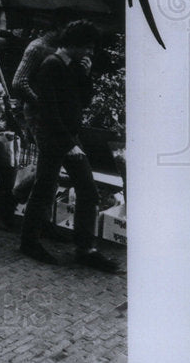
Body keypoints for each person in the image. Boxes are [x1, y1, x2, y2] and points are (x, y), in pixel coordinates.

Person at [19, 20, 119, 272]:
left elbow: (82, 102)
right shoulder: (51, 65)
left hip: (65, 136)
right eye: (88, 47)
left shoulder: (70, 66)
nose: (90, 52)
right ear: (75, 44)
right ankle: (76, 247)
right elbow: (49, 110)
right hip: (57, 137)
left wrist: (85, 76)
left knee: (53, 187)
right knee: (71, 188)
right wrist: (68, 144)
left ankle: (73, 246)